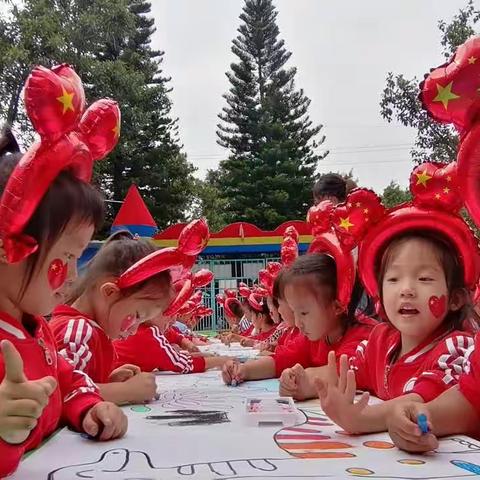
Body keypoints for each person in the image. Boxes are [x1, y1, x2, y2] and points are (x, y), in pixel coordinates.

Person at [0, 65, 127, 478]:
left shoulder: (38, 328)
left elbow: (67, 379)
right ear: (8, 248)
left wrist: (88, 406)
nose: (72, 277)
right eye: (61, 260)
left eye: (76, 260)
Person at [316, 184, 479, 435]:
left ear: (455, 298)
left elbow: (419, 401)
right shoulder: (379, 341)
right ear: (379, 296)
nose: (407, 290)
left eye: (424, 279)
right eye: (393, 280)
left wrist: (360, 419)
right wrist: (301, 380)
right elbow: (343, 374)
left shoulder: (457, 347)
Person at [49, 237, 175, 405]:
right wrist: (126, 392)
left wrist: (108, 381)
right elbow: (62, 393)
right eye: (137, 316)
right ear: (109, 292)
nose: (134, 330)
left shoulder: (90, 331)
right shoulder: (79, 330)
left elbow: (80, 382)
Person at [221, 253, 374, 387]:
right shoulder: (313, 337)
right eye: (294, 312)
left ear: (338, 306)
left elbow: (344, 372)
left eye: (304, 313)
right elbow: (281, 360)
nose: (298, 322)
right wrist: (244, 370)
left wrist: (302, 380)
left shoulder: (365, 339)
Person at [114, 313, 230, 374]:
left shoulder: (144, 329)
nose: (174, 320)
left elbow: (165, 361)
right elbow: (183, 365)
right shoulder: (150, 333)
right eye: (168, 313)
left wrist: (188, 347)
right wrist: (221, 360)